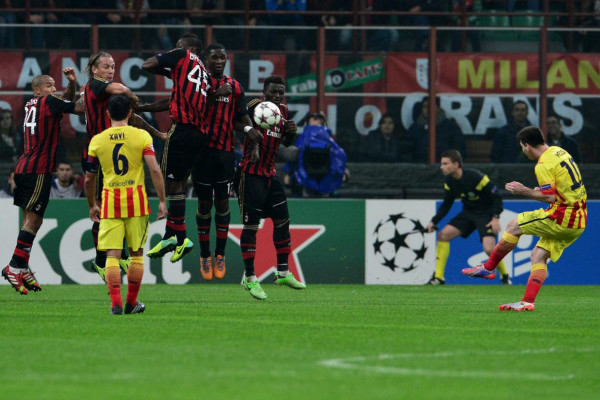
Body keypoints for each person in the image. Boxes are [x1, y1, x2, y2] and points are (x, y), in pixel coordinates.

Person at [463, 126, 587, 311]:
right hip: (579, 219)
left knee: (514, 225)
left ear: (527, 146)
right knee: (538, 256)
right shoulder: (559, 151)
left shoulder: (543, 164)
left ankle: (489, 267)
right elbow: (555, 190)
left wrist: (524, 190)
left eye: (522, 146)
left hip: (563, 215)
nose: (523, 150)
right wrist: (536, 190)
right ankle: (527, 301)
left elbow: (549, 197)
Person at [83, 51, 165, 281]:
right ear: (95, 70)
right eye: (106, 66)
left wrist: (159, 134)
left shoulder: (100, 97)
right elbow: (121, 90)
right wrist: (131, 94)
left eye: (113, 66)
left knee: (115, 206)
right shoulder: (96, 84)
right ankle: (102, 260)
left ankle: (120, 256)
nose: (110, 70)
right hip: (99, 152)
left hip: (107, 149)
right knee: (103, 209)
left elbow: (133, 119)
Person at [2, 69, 83, 295]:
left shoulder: (31, 105)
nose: (53, 89)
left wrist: (72, 88)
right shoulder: (47, 102)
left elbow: (65, 99)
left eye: (54, 85)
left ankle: (21, 265)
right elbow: (77, 106)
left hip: (25, 167)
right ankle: (14, 266)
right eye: (49, 85)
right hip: (37, 169)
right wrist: (77, 87)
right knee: (33, 220)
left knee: (32, 220)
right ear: (37, 90)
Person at [84, 95, 167, 315]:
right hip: (137, 202)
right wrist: (162, 200)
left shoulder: (98, 140)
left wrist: (92, 204)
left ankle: (115, 304)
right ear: (130, 113)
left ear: (107, 113)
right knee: (137, 254)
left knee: (112, 255)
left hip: (110, 201)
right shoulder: (141, 135)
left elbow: (89, 178)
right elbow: (155, 170)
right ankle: (131, 303)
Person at [192, 43, 262, 281]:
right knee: (203, 206)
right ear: (206, 59)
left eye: (223, 57)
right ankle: (204, 255)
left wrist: (251, 134)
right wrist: (214, 95)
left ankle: (219, 254)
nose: (219, 61)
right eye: (215, 57)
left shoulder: (235, 86)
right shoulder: (199, 83)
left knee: (222, 205)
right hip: (200, 152)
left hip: (224, 154)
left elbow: (241, 118)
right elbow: (193, 112)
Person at [234, 75, 306, 300]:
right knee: (251, 227)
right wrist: (248, 132)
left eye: (280, 93)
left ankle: (283, 272)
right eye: (273, 92)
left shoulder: (282, 111)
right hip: (249, 175)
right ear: (264, 92)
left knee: (283, 220)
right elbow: (235, 121)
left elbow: (286, 143)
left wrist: (291, 131)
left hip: (269, 175)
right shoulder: (254, 107)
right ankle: (250, 277)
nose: (276, 96)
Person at [142, 33, 210, 263]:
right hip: (199, 133)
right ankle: (169, 235)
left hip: (182, 129)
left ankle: (181, 238)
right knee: (179, 183)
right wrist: (147, 105)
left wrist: (167, 62)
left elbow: (147, 64)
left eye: (178, 46)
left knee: (170, 184)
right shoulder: (203, 74)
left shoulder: (182, 55)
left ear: (187, 48)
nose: (175, 49)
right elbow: (173, 100)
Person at [426, 150, 510, 285]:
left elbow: (497, 197)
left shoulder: (477, 177)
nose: (441, 167)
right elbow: (447, 204)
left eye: (445, 164)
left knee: (489, 249)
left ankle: (505, 277)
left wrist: (495, 217)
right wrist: (433, 221)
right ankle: (439, 277)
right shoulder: (450, 181)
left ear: (456, 164)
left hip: (486, 214)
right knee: (443, 235)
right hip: (469, 213)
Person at [409, 97, 466, 163]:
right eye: (425, 106)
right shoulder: (415, 128)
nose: (428, 109)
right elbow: (406, 150)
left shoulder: (450, 126)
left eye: (431, 106)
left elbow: (459, 149)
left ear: (438, 108)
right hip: (419, 168)